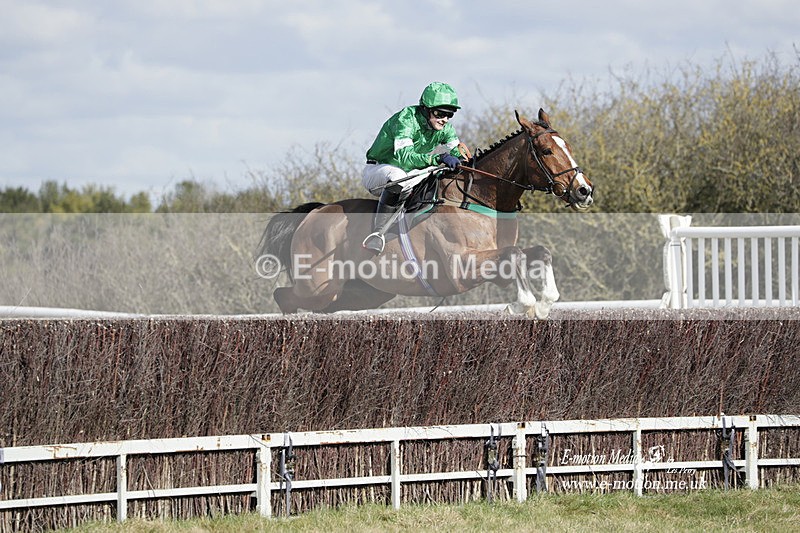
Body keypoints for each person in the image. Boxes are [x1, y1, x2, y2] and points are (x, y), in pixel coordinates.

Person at [361, 82, 463, 254]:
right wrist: (438, 157)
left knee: (438, 174)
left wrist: (462, 159)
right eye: (440, 113)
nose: (444, 119)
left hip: (409, 173)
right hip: (379, 170)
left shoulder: (445, 129)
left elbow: (457, 149)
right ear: (425, 109)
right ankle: (377, 234)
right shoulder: (406, 119)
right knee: (398, 175)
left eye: (449, 115)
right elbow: (405, 159)